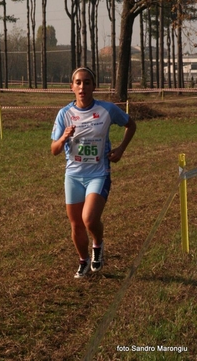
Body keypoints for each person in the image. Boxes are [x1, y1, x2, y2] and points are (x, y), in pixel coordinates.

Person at [51, 66, 136, 278]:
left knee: (89, 219)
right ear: (71, 87)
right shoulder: (64, 114)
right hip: (73, 175)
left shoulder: (107, 109)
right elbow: (54, 149)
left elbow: (131, 125)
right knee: (76, 224)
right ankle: (83, 260)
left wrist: (121, 149)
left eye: (87, 82)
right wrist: (64, 137)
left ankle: (97, 244)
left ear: (93, 86)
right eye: (78, 83)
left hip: (99, 174)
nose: (82, 87)